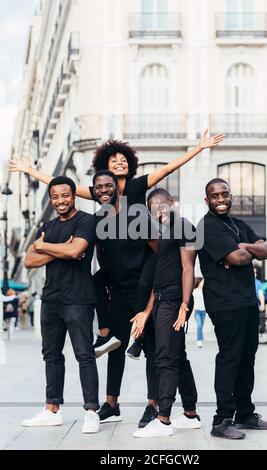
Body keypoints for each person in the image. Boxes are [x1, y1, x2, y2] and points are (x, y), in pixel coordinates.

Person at [8, 133, 225, 350]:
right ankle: (104, 334)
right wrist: (30, 171)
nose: (119, 163)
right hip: (118, 259)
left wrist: (199, 147)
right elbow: (65, 188)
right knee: (96, 280)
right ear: (106, 168)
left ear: (129, 165)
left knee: (142, 285)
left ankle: (140, 336)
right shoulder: (103, 191)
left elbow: (168, 169)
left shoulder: (138, 185)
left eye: (123, 160)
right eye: (114, 161)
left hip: (143, 252)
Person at [198, 178, 267, 440]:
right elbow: (237, 258)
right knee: (230, 358)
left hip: (246, 300)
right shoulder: (207, 227)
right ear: (206, 200)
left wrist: (245, 246)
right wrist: (244, 250)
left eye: (225, 194)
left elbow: (265, 251)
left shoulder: (239, 225)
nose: (220, 199)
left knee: (247, 358)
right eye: (215, 196)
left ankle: (244, 413)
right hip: (224, 302)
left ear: (231, 196)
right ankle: (221, 420)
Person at [22, 176, 100, 434]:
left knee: (84, 355)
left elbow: (75, 251)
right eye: (55, 197)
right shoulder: (48, 225)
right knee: (51, 355)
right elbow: (29, 261)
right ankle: (51, 409)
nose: (60, 201)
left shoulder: (86, 221)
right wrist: (58, 248)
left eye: (65, 195)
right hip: (51, 299)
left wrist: (44, 246)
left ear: (73, 195)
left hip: (78, 298)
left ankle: (91, 412)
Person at [93, 170, 160, 427]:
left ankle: (152, 405)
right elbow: (102, 253)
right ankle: (111, 404)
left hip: (143, 289)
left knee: (152, 350)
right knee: (115, 348)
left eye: (108, 185)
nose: (104, 190)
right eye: (98, 187)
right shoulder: (100, 219)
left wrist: (153, 290)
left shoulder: (137, 215)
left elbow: (158, 250)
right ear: (94, 190)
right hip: (119, 292)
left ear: (117, 188)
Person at [133, 188, 200, 438]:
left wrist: (184, 304)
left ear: (172, 202)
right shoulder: (166, 233)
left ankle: (163, 420)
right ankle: (191, 414)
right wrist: (147, 311)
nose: (158, 212)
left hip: (174, 300)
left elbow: (187, 268)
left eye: (161, 205)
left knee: (165, 358)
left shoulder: (184, 226)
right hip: (163, 298)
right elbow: (158, 279)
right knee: (178, 357)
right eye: (153, 209)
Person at [193, 278, 206, 348]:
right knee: (199, 326)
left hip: (203, 311)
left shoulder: (204, 291)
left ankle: (200, 338)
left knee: (201, 327)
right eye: (202, 282)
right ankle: (199, 341)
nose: (203, 283)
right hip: (197, 311)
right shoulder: (194, 291)